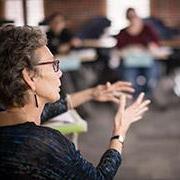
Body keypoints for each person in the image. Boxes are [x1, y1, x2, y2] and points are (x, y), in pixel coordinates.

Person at [0, 25, 150, 179]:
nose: (60, 72)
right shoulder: (43, 144)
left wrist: (92, 93)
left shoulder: (9, 118)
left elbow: (48, 111)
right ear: (29, 77)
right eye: (53, 65)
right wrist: (119, 131)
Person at [114, 7, 162, 97]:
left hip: (147, 61)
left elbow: (156, 44)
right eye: (130, 17)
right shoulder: (123, 32)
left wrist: (150, 47)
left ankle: (147, 95)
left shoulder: (148, 29)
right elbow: (118, 50)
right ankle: (135, 96)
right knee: (130, 80)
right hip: (130, 62)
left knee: (152, 77)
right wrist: (130, 49)